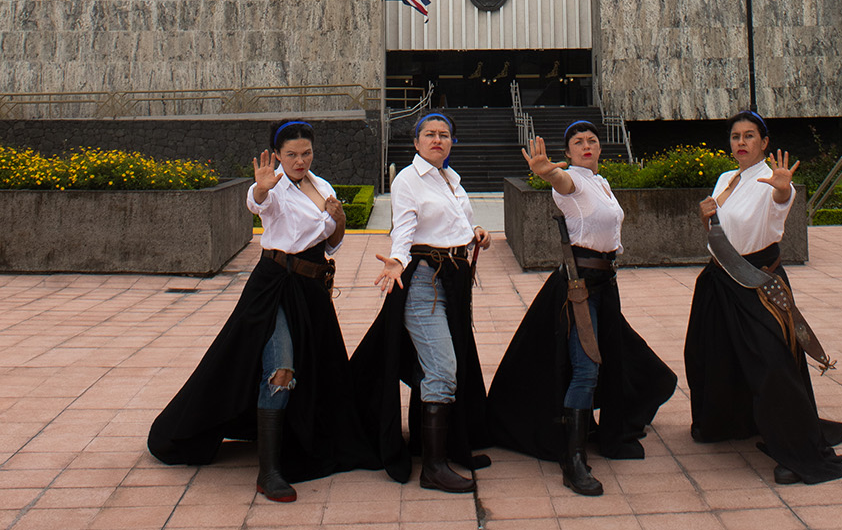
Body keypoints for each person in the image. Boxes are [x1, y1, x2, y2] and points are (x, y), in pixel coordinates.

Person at [148, 119, 376, 501]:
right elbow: (258, 203)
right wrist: (261, 186)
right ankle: (269, 471)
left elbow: (332, 243)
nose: (300, 160)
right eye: (291, 154)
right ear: (278, 154)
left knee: (318, 368)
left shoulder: (323, 186)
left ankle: (293, 441)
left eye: (306, 153)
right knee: (280, 368)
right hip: (274, 285)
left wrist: (338, 220)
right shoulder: (275, 187)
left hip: (312, 291)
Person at [487, 123, 677, 496]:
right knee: (586, 368)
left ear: (600, 149)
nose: (587, 146)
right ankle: (572, 460)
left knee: (617, 358)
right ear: (569, 152)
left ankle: (596, 428)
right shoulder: (571, 182)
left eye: (592, 140)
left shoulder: (600, 183)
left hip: (605, 285)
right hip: (580, 288)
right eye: (578, 142)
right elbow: (561, 183)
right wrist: (549, 172)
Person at [683, 110, 842, 485]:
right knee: (708, 354)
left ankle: (796, 447)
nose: (741, 142)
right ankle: (725, 422)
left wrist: (782, 186)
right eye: (735, 136)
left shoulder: (771, 181)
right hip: (719, 281)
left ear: (764, 142)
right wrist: (705, 216)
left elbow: (780, 202)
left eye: (749, 136)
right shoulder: (726, 177)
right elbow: (719, 229)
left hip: (758, 282)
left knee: (773, 363)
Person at [349, 112, 491, 492]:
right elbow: (405, 227)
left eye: (444, 135)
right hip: (423, 284)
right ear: (415, 142)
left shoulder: (451, 178)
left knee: (449, 363)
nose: (437, 140)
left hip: (453, 281)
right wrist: (397, 258)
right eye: (429, 134)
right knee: (443, 368)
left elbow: (458, 223)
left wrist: (475, 232)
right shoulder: (408, 179)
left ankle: (446, 446)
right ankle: (433, 466)